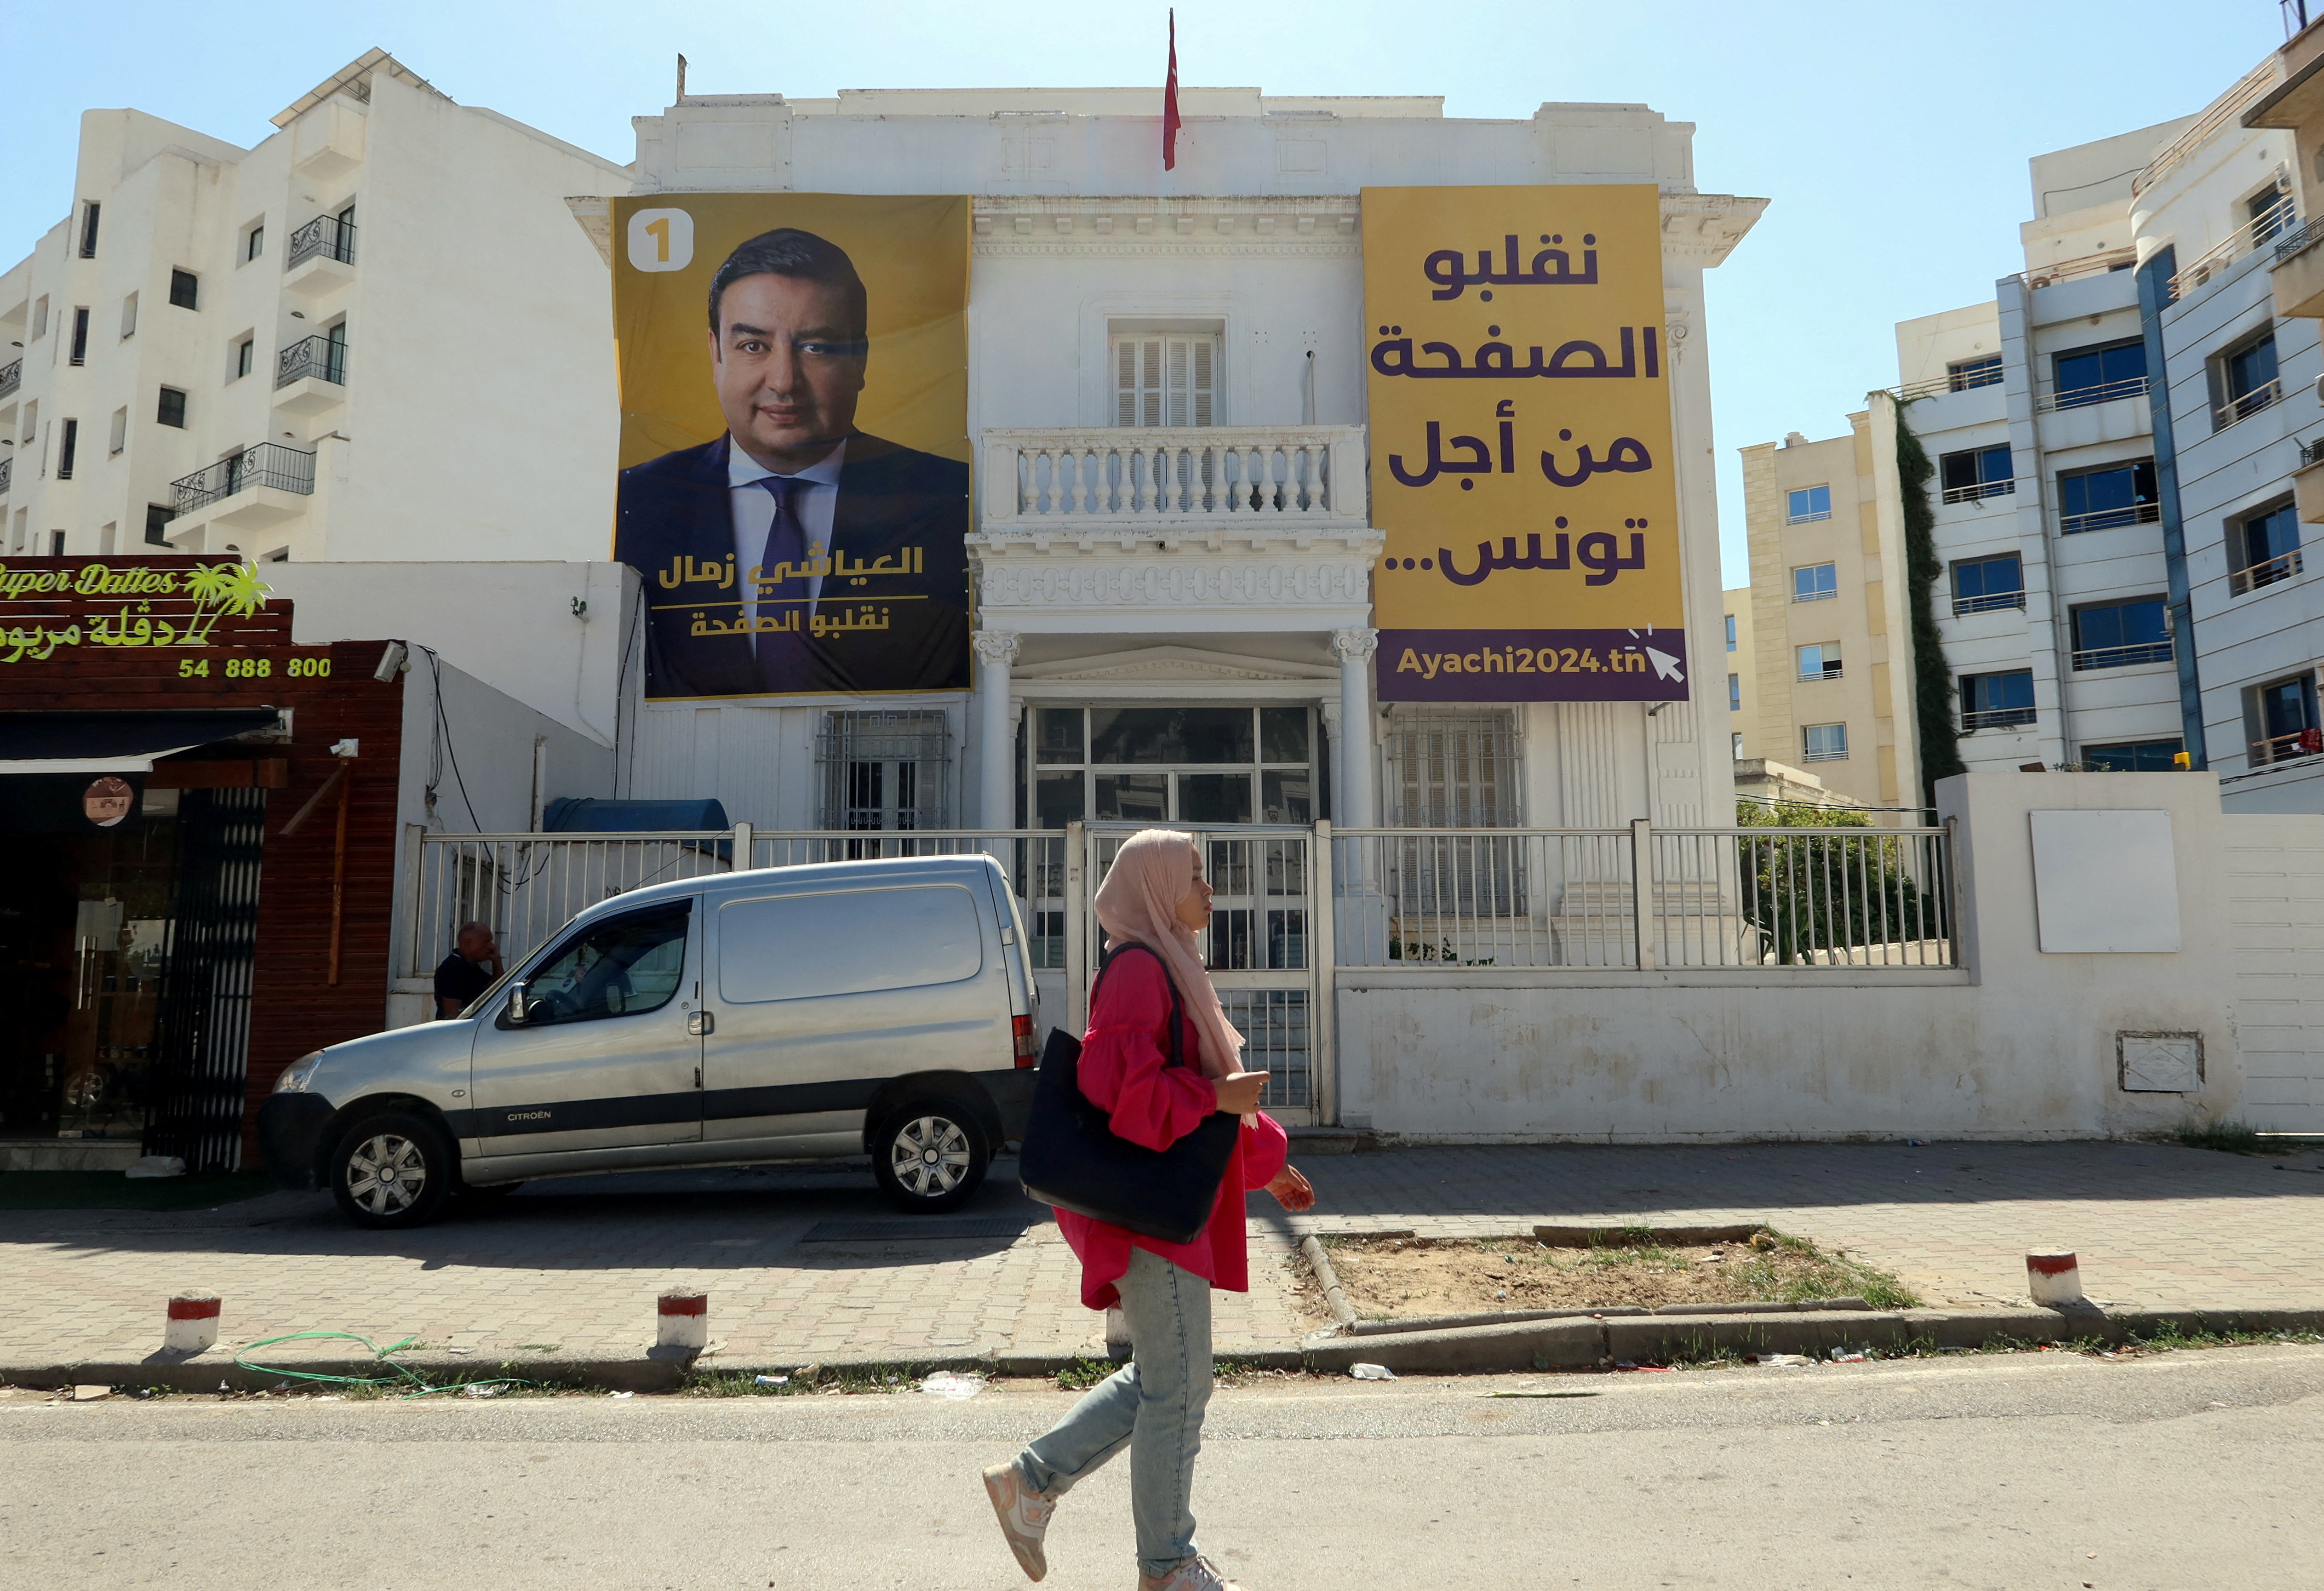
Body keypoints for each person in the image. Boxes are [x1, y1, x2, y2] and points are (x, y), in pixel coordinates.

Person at [983, 830, 1316, 1591]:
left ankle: (1030, 1484)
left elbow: (1200, 1105)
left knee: (1170, 1382)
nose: (1209, 892)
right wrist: (1216, 1100)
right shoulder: (1138, 972)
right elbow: (1120, 1092)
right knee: (1178, 1387)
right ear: (1158, 889)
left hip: (1163, 1212)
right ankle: (1163, 1564)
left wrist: (1264, 1164)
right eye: (1194, 878)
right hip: (1147, 1219)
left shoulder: (1170, 968)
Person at [615, 226, 970, 700]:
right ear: (715, 354)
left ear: (859, 361)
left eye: (815, 348)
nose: (784, 382)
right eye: (753, 346)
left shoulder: (949, 501)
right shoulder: (638, 502)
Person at [432, 921, 502, 1019]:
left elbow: (498, 989)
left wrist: (497, 961)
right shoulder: (452, 969)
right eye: (486, 942)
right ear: (468, 943)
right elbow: (452, 1015)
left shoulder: (471, 966)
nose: (491, 947)